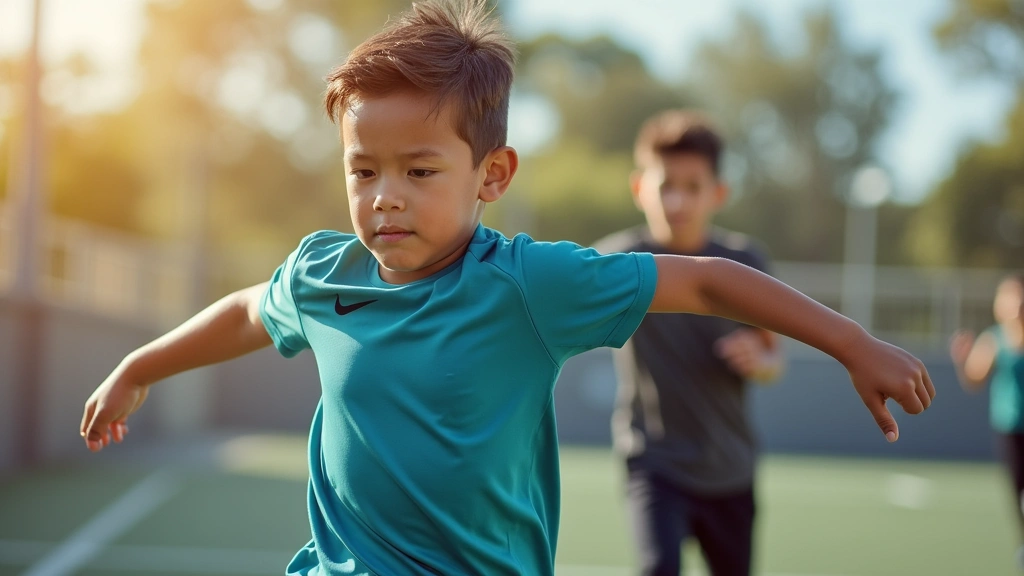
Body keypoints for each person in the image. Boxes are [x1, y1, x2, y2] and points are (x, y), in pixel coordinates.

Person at [80, 2, 935, 574]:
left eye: (419, 170)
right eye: (364, 169)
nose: (385, 195)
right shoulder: (322, 274)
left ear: (492, 174)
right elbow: (243, 313)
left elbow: (710, 283)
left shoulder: (529, 285)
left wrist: (852, 343)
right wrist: (140, 368)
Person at [595, 110, 783, 576]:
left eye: (693, 187)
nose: (677, 200)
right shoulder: (617, 261)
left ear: (718, 193)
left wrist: (758, 359)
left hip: (730, 468)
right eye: (665, 186)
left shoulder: (744, 261)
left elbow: (773, 358)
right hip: (655, 464)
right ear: (640, 188)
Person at [950, 274, 1024, 567]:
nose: (1015, 304)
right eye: (1009, 298)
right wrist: (962, 359)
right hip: (1009, 427)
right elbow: (973, 379)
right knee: (1018, 492)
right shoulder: (994, 340)